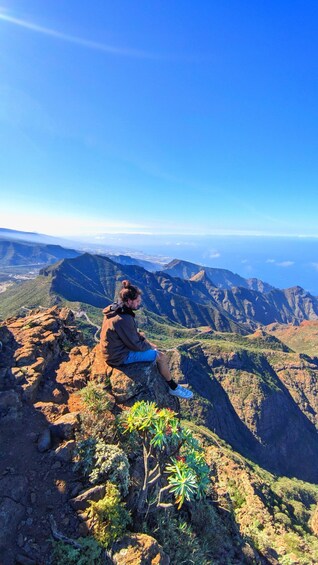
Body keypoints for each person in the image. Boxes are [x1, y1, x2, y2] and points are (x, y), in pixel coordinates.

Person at [100, 280, 193, 400]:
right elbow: (136, 346)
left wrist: (146, 341)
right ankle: (173, 387)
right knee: (161, 356)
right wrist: (150, 346)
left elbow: (131, 334)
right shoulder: (123, 319)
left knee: (144, 337)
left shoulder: (114, 309)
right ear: (129, 301)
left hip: (113, 349)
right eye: (137, 301)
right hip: (118, 356)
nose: (139, 304)